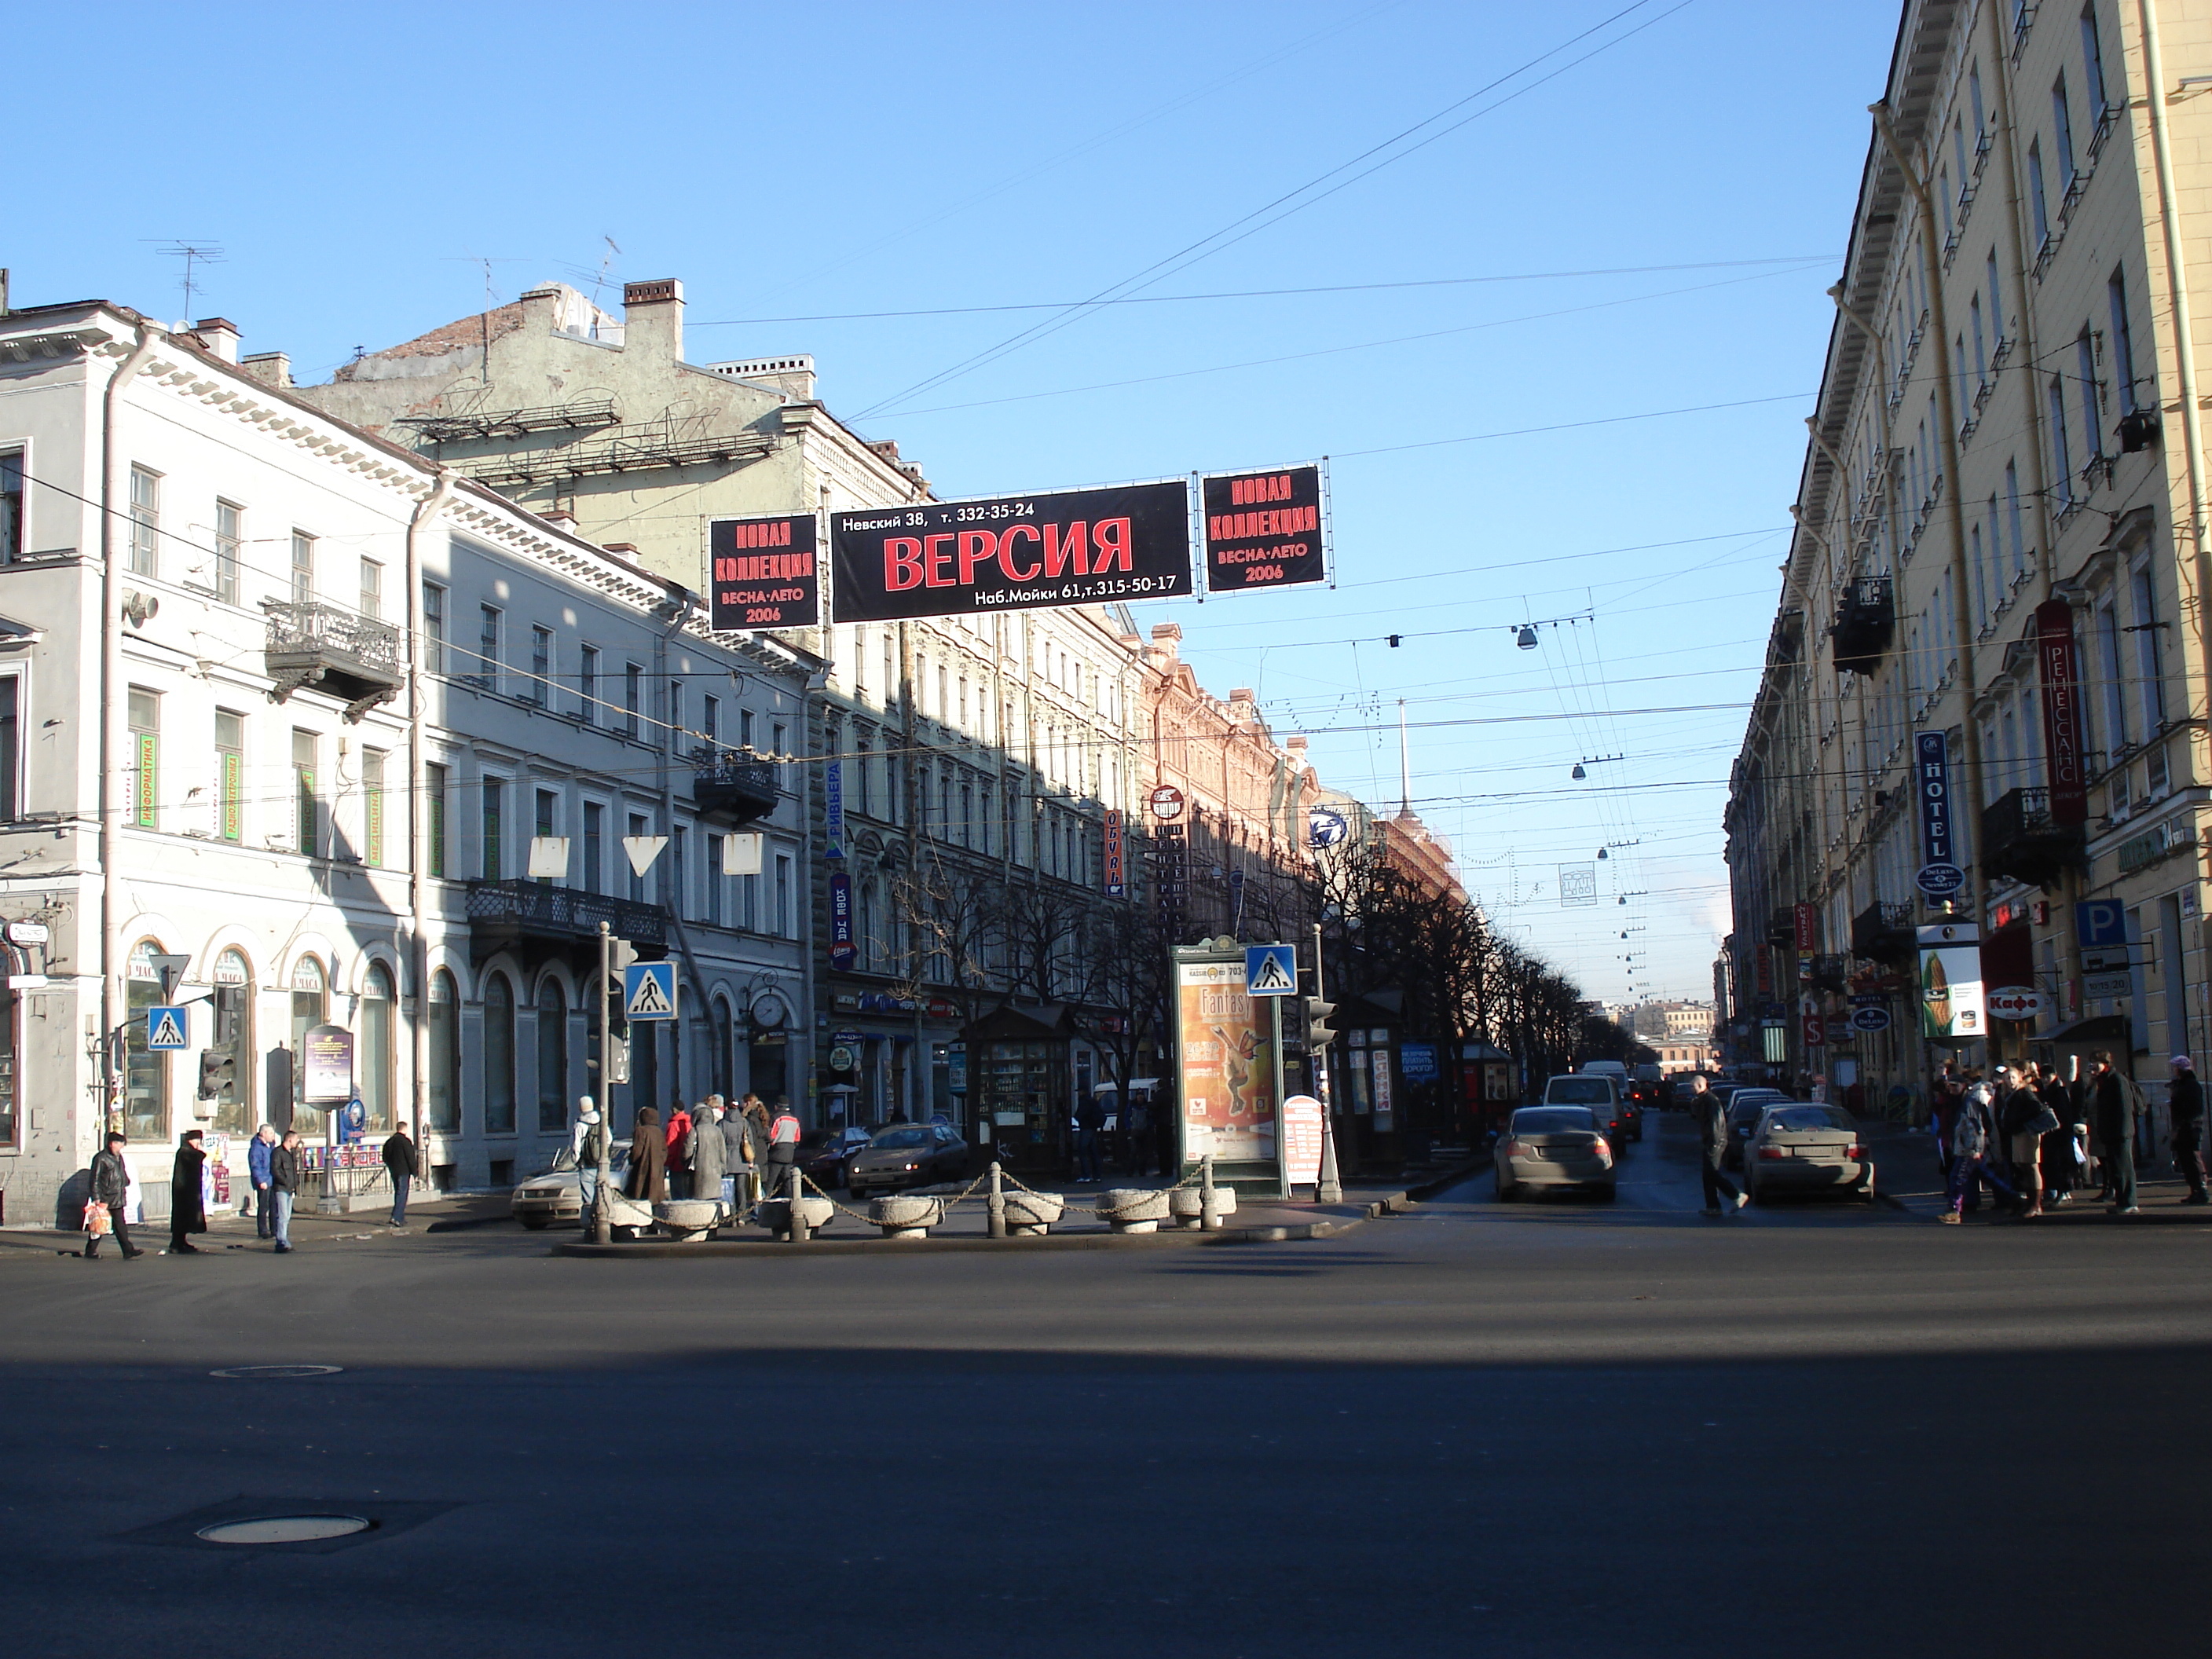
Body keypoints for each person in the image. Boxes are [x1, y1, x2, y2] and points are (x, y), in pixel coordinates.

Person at [1941, 1082, 2013, 1221]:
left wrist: (1975, 1149)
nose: (1952, 1088)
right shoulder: (1958, 1102)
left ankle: (1954, 1211)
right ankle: (2014, 1198)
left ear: (1963, 1086)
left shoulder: (1968, 1103)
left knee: (1957, 1179)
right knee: (1989, 1177)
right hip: (1964, 1148)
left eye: (1956, 1085)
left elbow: (1976, 1129)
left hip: (1968, 1150)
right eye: (1950, 1086)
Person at [2091, 1051, 2143, 1215]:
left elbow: (2124, 1107)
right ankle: (2121, 1201)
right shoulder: (2104, 1080)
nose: (2093, 1067)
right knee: (2116, 1169)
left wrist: (2121, 1131)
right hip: (2111, 1133)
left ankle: (2129, 1202)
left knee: (2124, 1168)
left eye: (2096, 1063)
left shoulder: (2116, 1080)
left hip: (2120, 1133)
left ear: (2105, 1063)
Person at [1690, 1075, 1747, 1217]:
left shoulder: (1711, 1101)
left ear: (1700, 1085)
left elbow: (1716, 1122)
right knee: (1708, 1175)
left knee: (1712, 1174)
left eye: (1693, 1086)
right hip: (1711, 1140)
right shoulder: (1703, 1100)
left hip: (1715, 1141)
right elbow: (1696, 1116)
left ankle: (1736, 1195)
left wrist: (1714, 1142)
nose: (1691, 1089)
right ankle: (1713, 1206)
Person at [1994, 1065, 2045, 1218]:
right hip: (2015, 1134)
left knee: (2032, 1167)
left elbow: (2038, 1108)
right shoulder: (2009, 1095)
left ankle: (2036, 1204)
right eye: (2008, 1078)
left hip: (2027, 1134)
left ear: (2020, 1078)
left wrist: (2020, 1120)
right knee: (2022, 1167)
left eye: (2013, 1078)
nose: (2010, 1081)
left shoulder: (2025, 1092)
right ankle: (2029, 1203)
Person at [83, 1132, 141, 1259]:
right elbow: (95, 1179)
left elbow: (121, 1172)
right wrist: (97, 1198)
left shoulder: (119, 1157)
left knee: (120, 1225)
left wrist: (125, 1180)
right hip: (105, 1197)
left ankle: (128, 1250)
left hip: (118, 1195)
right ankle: (91, 1250)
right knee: (99, 1224)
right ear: (112, 1144)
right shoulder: (101, 1158)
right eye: (120, 1144)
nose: (121, 1147)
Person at [2169, 1056, 2207, 1204]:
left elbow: (2193, 1108)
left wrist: (2181, 1114)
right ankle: (2195, 1190)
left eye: (2176, 1068)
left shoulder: (2190, 1085)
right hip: (2184, 1127)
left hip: (2190, 1128)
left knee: (2192, 1159)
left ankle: (2201, 1190)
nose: (2174, 1071)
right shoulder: (2183, 1084)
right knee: (2186, 1160)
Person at [169, 1129, 208, 1254]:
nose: (198, 1143)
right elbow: (197, 1158)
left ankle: (181, 1241)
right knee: (181, 1217)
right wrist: (202, 1153)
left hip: (188, 1190)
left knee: (186, 1218)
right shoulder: (184, 1151)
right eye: (197, 1140)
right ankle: (176, 1243)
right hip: (183, 1191)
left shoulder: (188, 1151)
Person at [690, 1096, 729, 1213]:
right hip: (715, 1169)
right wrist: (723, 1166)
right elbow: (722, 1151)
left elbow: (688, 1150)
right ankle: (714, 1223)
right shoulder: (717, 1130)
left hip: (698, 1169)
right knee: (714, 1201)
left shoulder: (695, 1131)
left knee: (699, 1201)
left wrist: (687, 1162)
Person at [572, 1097, 605, 1227]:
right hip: (599, 1163)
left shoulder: (580, 1124)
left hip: (586, 1164)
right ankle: (600, 1219)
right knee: (600, 1193)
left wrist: (576, 1161)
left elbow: (575, 1146)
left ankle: (588, 1225)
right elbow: (608, 1140)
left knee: (587, 1196)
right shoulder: (601, 1122)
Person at [379, 1124, 420, 1228]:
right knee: (402, 1194)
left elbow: (385, 1156)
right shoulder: (405, 1142)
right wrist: (415, 1172)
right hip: (404, 1171)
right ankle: (396, 1217)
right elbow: (410, 1158)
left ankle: (401, 1217)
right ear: (404, 1129)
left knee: (398, 1193)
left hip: (394, 1170)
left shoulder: (390, 1141)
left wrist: (390, 1165)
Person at [624, 1105, 667, 1203]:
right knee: (655, 1198)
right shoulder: (659, 1132)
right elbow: (664, 1151)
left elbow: (637, 1151)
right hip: (657, 1171)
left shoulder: (641, 1131)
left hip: (642, 1170)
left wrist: (631, 1159)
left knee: (641, 1196)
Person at [270, 1130, 302, 1252]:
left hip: (290, 1188)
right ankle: (281, 1241)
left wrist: (295, 1184)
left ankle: (284, 1239)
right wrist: (286, 1182)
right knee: (282, 1215)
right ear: (289, 1140)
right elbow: (275, 1170)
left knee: (287, 1216)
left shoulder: (291, 1153)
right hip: (281, 1188)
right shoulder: (278, 1152)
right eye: (295, 1139)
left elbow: (293, 1171)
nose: (297, 1142)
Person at [765, 1099, 801, 1197]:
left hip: (776, 1152)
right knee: (787, 1182)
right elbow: (797, 1138)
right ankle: (790, 1201)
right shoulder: (794, 1119)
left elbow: (772, 1135)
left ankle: (764, 1203)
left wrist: (771, 1144)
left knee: (770, 1182)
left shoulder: (776, 1117)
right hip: (789, 1152)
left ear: (777, 1106)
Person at [247, 1124, 276, 1238]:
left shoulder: (270, 1146)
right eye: (270, 1133)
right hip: (264, 1181)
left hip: (272, 1179)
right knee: (263, 1207)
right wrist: (260, 1181)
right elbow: (255, 1166)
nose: (272, 1136)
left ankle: (275, 1229)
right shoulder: (256, 1148)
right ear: (263, 1134)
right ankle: (263, 1230)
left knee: (274, 1206)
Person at [664, 1097, 694, 1201]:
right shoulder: (689, 1123)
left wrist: (667, 1163)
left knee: (677, 1195)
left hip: (676, 1164)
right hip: (689, 1163)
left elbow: (671, 1145)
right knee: (687, 1194)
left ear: (673, 1110)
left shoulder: (673, 1125)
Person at [1073, 1090, 1106, 1184]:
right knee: (1094, 1152)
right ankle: (1097, 1175)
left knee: (1082, 1152)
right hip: (1093, 1129)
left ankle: (1086, 1175)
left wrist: (1073, 1121)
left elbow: (1079, 1115)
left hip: (1086, 1128)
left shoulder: (1084, 1102)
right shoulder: (1093, 1101)